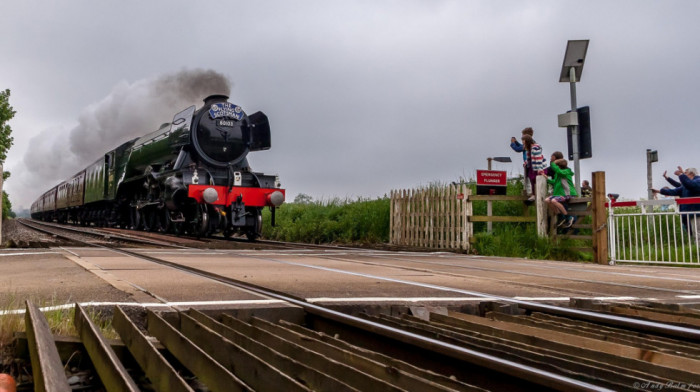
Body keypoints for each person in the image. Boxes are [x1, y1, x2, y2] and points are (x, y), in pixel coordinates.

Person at [652, 166, 700, 239]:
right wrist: (660, 191)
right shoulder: (686, 185)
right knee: (692, 234)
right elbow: (675, 190)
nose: (684, 175)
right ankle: (694, 248)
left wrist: (680, 175)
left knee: (697, 233)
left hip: (696, 213)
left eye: (685, 173)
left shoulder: (698, 181)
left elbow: (690, 185)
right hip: (688, 213)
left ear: (691, 174)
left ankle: (697, 249)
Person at [544, 157, 578, 228]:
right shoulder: (558, 173)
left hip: (568, 193)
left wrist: (553, 163)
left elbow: (558, 171)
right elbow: (554, 182)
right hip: (561, 193)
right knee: (547, 200)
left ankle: (567, 217)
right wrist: (546, 178)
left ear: (559, 166)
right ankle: (560, 216)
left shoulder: (566, 172)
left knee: (553, 200)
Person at [520, 134, 546, 201]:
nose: (523, 143)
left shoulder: (535, 148)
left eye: (523, 141)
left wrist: (539, 169)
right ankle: (533, 194)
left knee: (536, 179)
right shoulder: (529, 149)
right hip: (532, 165)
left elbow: (538, 158)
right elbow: (529, 158)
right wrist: (526, 163)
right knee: (531, 179)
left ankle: (538, 194)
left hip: (537, 165)